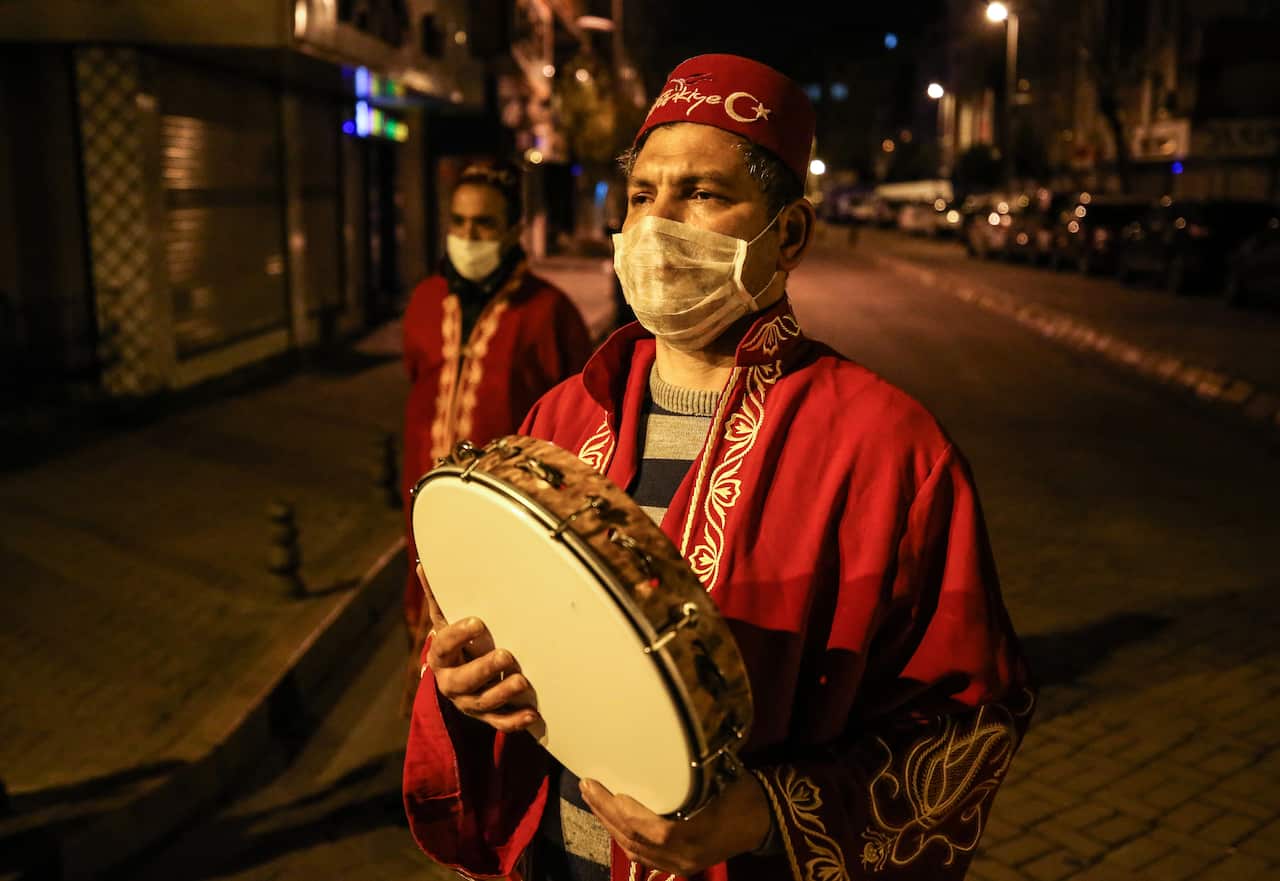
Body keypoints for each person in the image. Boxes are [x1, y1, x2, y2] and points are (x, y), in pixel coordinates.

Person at [403, 55, 1035, 881]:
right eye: (641, 195)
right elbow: (501, 621)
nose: (657, 224)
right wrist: (464, 677)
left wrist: (770, 815)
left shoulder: (891, 450)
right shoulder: (562, 417)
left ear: (790, 234)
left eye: (702, 194)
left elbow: (970, 719)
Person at [400, 160, 593, 643]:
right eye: (459, 222)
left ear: (513, 230)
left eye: (484, 223)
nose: (469, 235)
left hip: (508, 520)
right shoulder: (425, 300)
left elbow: (578, 421)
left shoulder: (550, 313)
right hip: (426, 512)